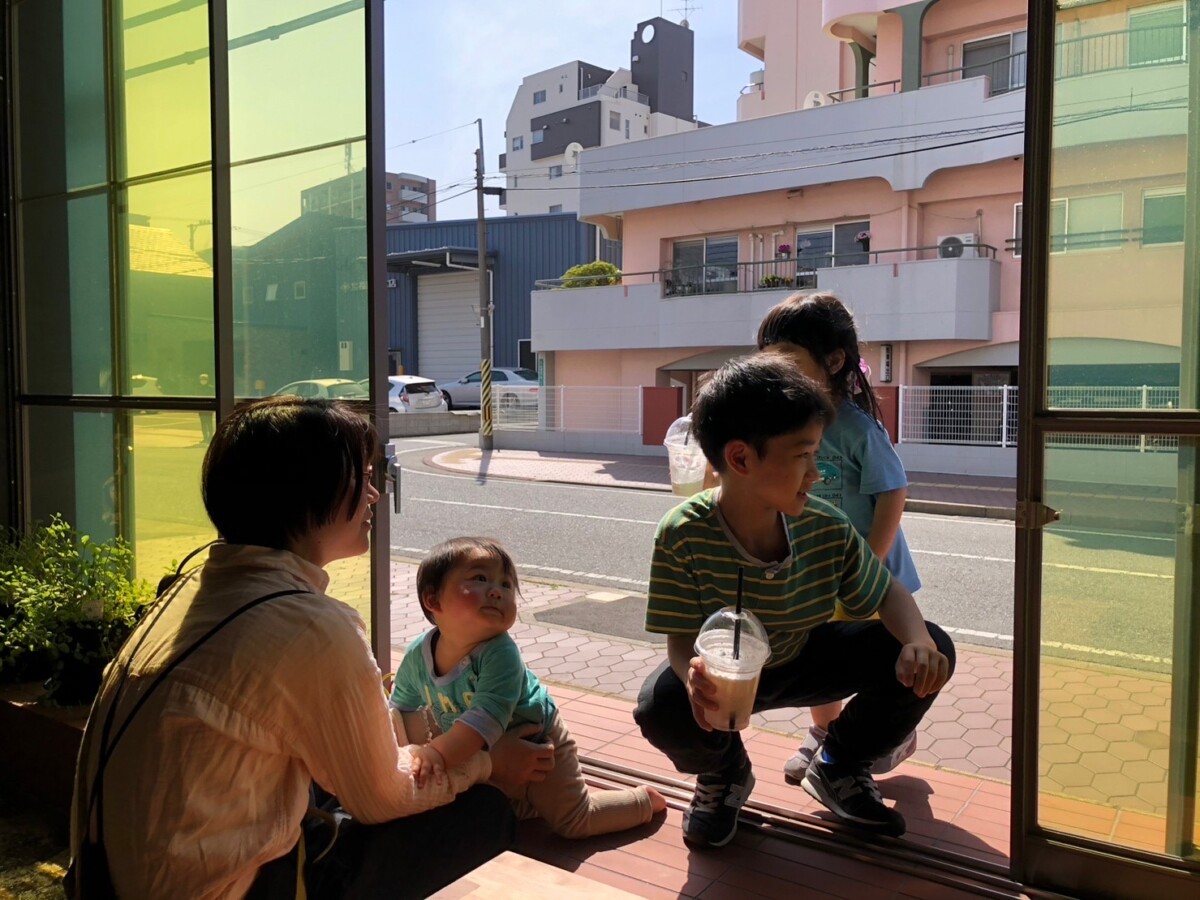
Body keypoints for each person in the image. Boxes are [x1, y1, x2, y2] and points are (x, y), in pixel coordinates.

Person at [69, 397, 554, 899]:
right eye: (363, 478)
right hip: (227, 889)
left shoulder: (190, 590)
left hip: (109, 881)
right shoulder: (311, 627)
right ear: (308, 489)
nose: (374, 494)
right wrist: (489, 764)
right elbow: (382, 799)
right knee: (484, 813)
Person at [633, 355, 954, 847]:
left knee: (932, 649)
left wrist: (916, 640)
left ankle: (839, 763)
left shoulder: (824, 526)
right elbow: (680, 639)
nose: (816, 473)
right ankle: (724, 774)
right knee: (662, 706)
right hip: (729, 673)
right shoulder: (682, 534)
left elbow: (888, 591)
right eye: (804, 456)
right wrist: (692, 678)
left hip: (807, 653)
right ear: (741, 459)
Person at [391, 536, 667, 839]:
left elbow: (482, 721)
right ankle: (532, 801)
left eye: (506, 584)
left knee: (574, 821)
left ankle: (642, 801)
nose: (496, 591)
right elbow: (400, 707)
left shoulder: (500, 653)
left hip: (539, 740)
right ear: (433, 600)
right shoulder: (418, 655)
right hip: (490, 749)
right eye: (480, 578)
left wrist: (436, 754)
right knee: (494, 805)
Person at [755, 291, 922, 785]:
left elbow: (893, 492)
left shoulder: (854, 427)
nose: (776, 369)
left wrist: (869, 561)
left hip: (871, 571)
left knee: (889, 660)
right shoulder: (786, 424)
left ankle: (885, 734)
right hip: (817, 570)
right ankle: (825, 733)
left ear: (833, 361)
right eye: (768, 358)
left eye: (788, 358)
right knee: (818, 653)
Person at [198, 373, 215, 444]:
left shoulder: (210, 388)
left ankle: (210, 437)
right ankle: (205, 437)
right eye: (202, 379)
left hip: (208, 408)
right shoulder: (198, 388)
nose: (203, 381)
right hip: (201, 408)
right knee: (203, 423)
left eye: (204, 379)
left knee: (209, 423)